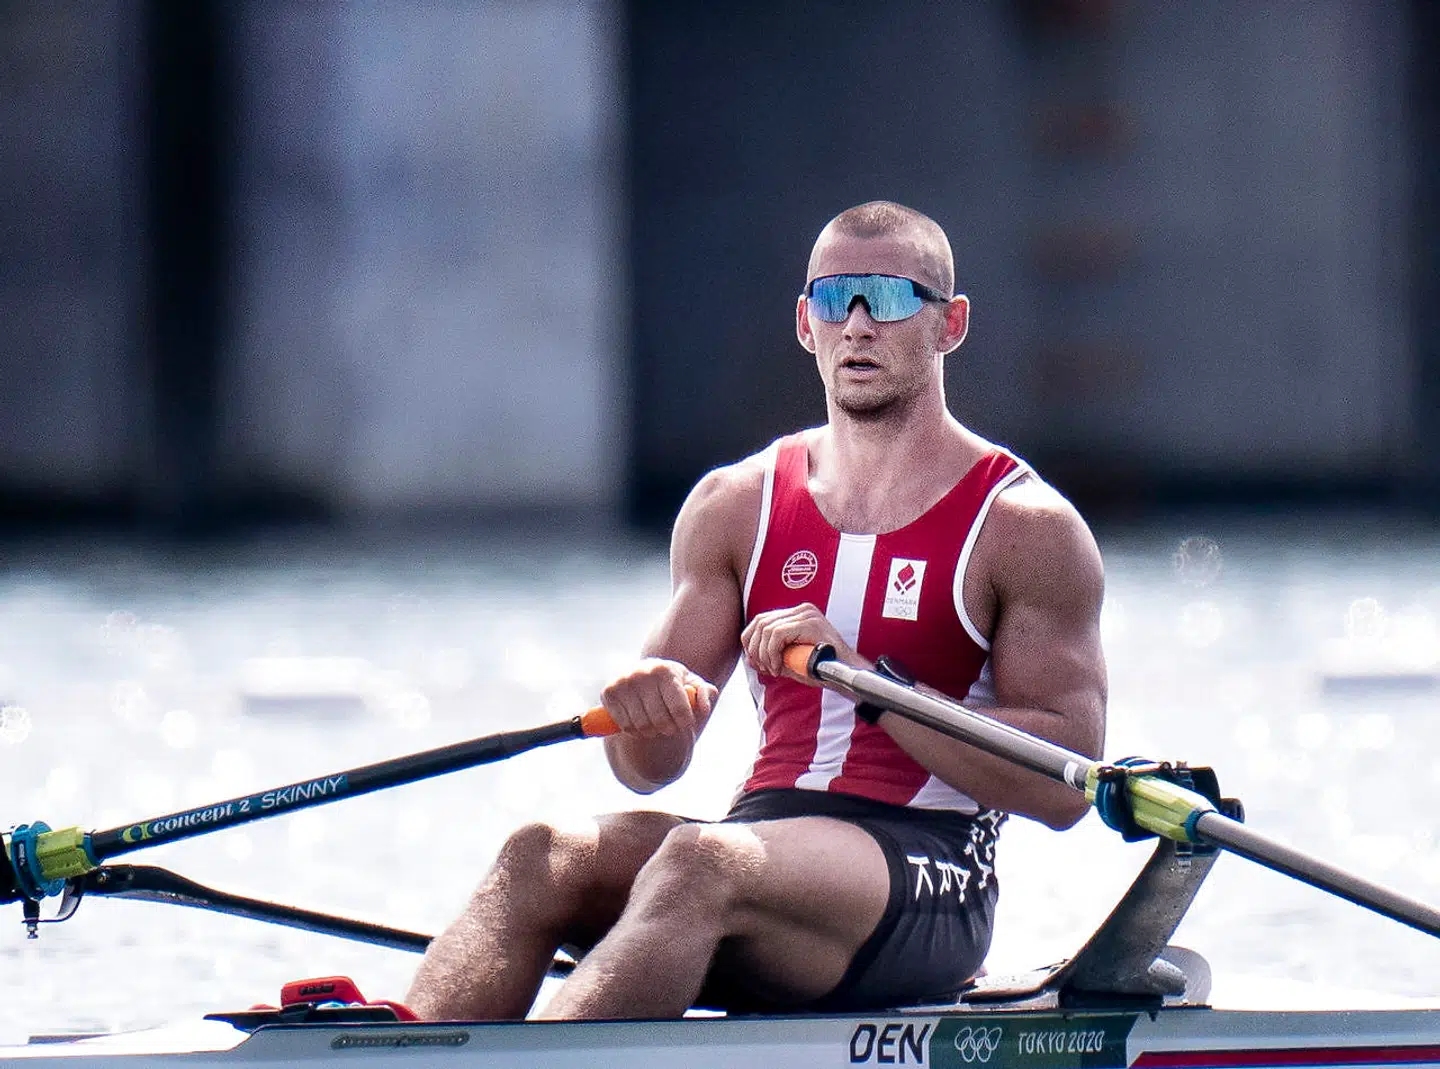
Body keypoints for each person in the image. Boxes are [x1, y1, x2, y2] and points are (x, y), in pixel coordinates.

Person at [405, 200, 1107, 1021]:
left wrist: (871, 684)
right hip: (755, 847)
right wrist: (645, 706)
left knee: (698, 862)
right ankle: (402, 1048)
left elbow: (1068, 781)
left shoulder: (1024, 527)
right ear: (805, 324)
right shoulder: (735, 505)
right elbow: (647, 767)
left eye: (887, 298)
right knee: (539, 856)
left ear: (949, 324)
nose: (856, 325)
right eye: (833, 299)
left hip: (929, 871)